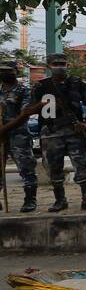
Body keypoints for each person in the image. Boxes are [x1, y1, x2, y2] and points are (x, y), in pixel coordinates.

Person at [13, 53, 86, 212]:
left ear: (67, 65)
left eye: (62, 63)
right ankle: (60, 200)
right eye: (55, 64)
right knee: (54, 169)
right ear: (49, 66)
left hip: (74, 131)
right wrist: (42, 104)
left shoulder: (77, 83)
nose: (60, 67)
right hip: (51, 132)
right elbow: (27, 110)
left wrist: (85, 124)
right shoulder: (41, 87)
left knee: (81, 166)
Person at [0, 58, 39, 212]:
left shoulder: (24, 91)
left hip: (19, 135)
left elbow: (25, 114)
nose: (5, 74)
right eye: (2, 71)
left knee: (26, 168)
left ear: (16, 72)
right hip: (0, 136)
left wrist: (5, 128)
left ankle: (30, 200)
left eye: (9, 71)